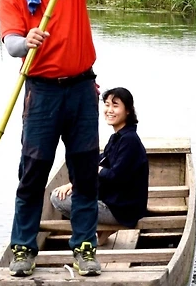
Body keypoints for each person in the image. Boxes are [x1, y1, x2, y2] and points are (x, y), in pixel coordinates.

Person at [0, 0, 120, 278]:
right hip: (42, 93)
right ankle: (23, 249)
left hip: (80, 91)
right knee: (33, 171)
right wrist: (25, 40)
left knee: (84, 171)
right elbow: (11, 44)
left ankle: (84, 247)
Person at [51, 87, 150, 229]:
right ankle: (103, 232)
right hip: (116, 202)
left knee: (57, 198)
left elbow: (116, 176)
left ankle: (98, 230)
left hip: (122, 210)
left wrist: (96, 169)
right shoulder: (117, 138)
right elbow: (99, 160)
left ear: (128, 110)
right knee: (66, 190)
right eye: (107, 104)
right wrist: (73, 184)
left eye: (115, 106)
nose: (109, 110)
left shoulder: (129, 141)